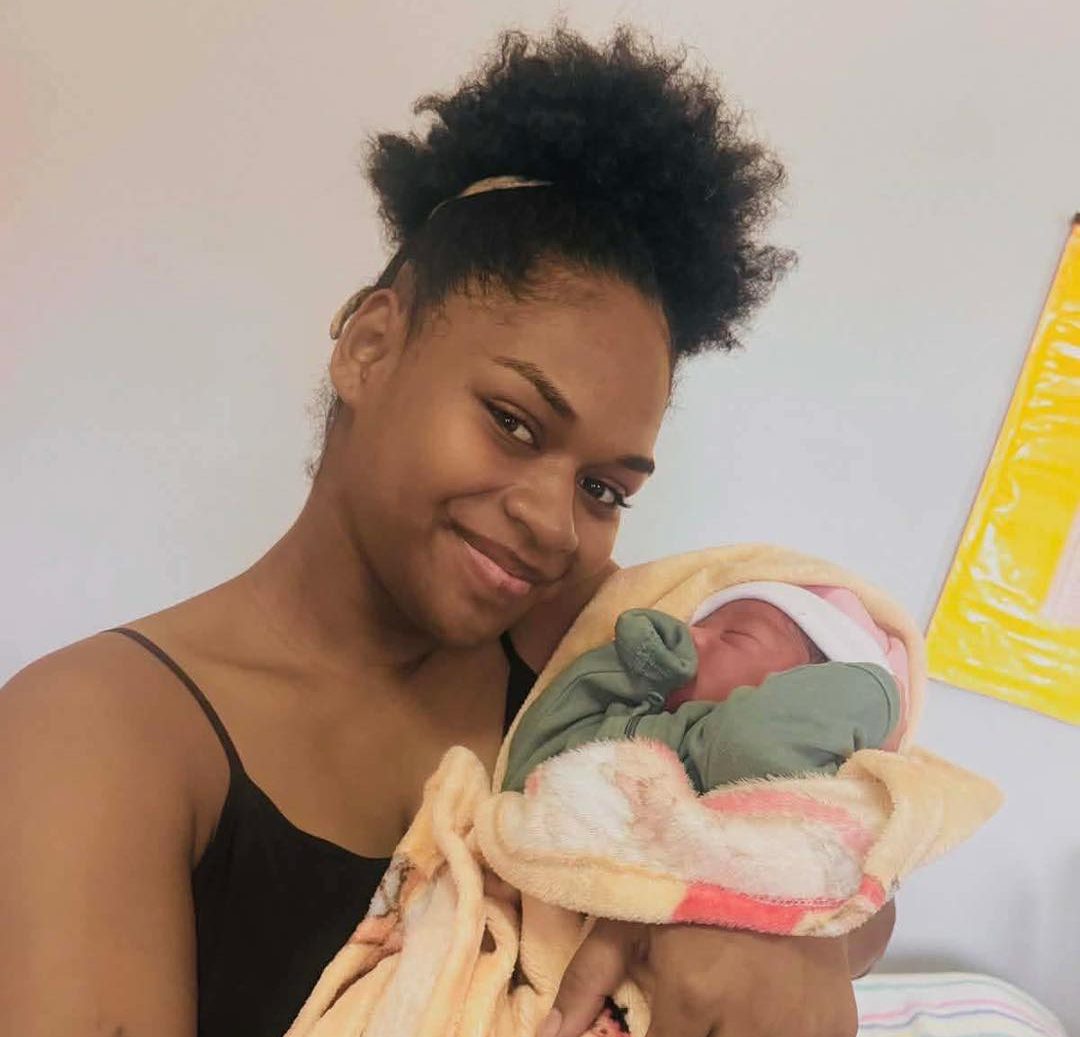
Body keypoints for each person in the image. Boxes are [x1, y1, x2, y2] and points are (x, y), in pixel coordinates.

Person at [0, 24, 894, 1037]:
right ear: (370, 346)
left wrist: (782, 926)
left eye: (603, 488)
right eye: (513, 422)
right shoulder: (100, 736)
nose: (552, 523)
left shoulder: (586, 652)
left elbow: (865, 828)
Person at [502, 581, 907, 796]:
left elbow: (750, 743)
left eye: (734, 636)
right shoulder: (646, 724)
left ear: (805, 687)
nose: (692, 636)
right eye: (697, 625)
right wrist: (644, 663)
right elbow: (534, 761)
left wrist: (884, 691)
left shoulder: (764, 754)